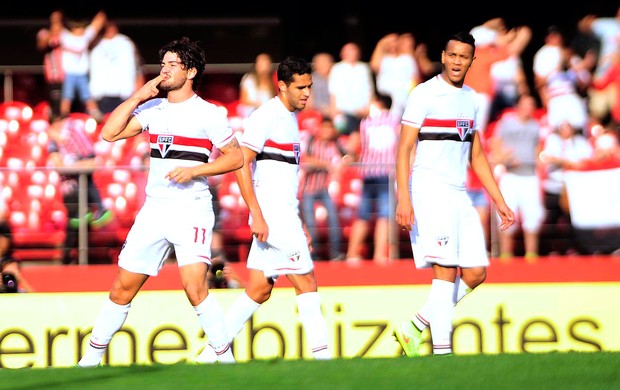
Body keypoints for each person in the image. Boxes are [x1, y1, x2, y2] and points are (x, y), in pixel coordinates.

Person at [77, 37, 243, 367]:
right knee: (122, 288)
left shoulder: (209, 113)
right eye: (163, 64)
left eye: (172, 65)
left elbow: (236, 157)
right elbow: (109, 134)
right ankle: (89, 361)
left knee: (194, 286)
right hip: (154, 210)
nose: (164, 70)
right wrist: (139, 95)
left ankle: (227, 362)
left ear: (191, 71)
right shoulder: (154, 108)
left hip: (191, 208)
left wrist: (196, 170)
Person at [196, 56, 331, 363]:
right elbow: (240, 161)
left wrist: (301, 224)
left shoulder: (291, 120)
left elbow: (283, 178)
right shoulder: (266, 116)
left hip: (283, 213)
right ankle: (326, 362)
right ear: (281, 86)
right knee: (306, 281)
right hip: (272, 215)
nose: (307, 93)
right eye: (300, 87)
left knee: (258, 288)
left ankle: (209, 355)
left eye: (309, 86)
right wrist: (256, 213)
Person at [393, 31, 515, 357]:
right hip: (429, 190)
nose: (458, 61)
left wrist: (499, 200)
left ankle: (415, 326)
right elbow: (404, 148)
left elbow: (477, 155)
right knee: (445, 270)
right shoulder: (424, 94)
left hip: (459, 193)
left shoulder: (473, 99)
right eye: (453, 55)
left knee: (476, 273)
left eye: (464, 56)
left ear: (472, 60)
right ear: (444, 56)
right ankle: (443, 355)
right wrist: (403, 197)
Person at [47, 116, 112, 265]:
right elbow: (59, 166)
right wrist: (78, 166)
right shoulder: (54, 142)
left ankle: (82, 258)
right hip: (71, 190)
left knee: (84, 226)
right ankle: (67, 257)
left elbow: (92, 163)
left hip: (83, 188)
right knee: (74, 226)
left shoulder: (72, 136)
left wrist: (73, 166)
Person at [345, 93, 400, 265]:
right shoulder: (395, 121)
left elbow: (354, 146)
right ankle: (380, 255)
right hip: (386, 172)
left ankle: (352, 254)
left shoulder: (365, 123)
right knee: (385, 216)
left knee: (363, 215)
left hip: (369, 172)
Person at [489, 93, 545, 261]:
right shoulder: (506, 124)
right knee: (506, 215)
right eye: (526, 104)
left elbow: (537, 147)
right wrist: (504, 157)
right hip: (511, 175)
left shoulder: (535, 126)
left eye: (532, 105)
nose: (529, 109)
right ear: (518, 106)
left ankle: (531, 255)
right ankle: (506, 255)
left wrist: (539, 160)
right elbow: (495, 145)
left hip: (530, 174)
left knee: (532, 215)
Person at [300, 115, 349, 261]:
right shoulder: (311, 141)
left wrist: (342, 164)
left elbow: (349, 156)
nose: (328, 131)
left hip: (324, 188)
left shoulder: (335, 144)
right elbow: (306, 159)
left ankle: (335, 253)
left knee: (334, 219)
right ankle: (312, 254)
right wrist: (326, 165)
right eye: (326, 128)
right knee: (310, 224)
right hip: (309, 189)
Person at [58, 10, 107, 121]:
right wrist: (57, 18)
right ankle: (63, 115)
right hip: (69, 73)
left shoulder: (84, 36)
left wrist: (101, 15)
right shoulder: (66, 37)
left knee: (87, 96)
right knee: (67, 95)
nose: (81, 30)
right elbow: (57, 28)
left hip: (82, 74)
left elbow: (96, 25)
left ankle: (95, 114)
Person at [89, 20, 143, 114]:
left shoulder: (126, 43)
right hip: (100, 98)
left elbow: (138, 70)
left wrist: (137, 96)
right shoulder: (95, 45)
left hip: (124, 96)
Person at [36, 10, 66, 121]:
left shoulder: (66, 34)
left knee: (68, 105)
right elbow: (41, 45)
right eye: (54, 20)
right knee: (56, 106)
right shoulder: (44, 33)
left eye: (59, 19)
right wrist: (53, 32)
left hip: (69, 75)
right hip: (54, 76)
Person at [0, 205, 34, 293]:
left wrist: (18, 278)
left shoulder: (10, 261)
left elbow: (35, 297)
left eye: (3, 239)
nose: (1, 243)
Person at [238, 52, 277, 117]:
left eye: (265, 62)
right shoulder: (249, 78)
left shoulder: (273, 80)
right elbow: (243, 100)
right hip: (250, 112)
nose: (263, 65)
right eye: (260, 62)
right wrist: (257, 105)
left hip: (267, 113)